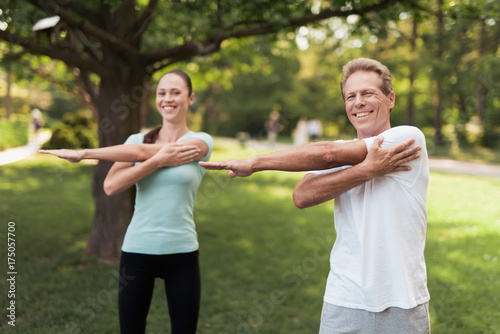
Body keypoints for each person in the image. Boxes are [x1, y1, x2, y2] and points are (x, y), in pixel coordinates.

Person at [200, 58, 430, 334]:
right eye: (350, 96)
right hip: (344, 297)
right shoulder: (345, 150)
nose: (358, 102)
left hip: (401, 300)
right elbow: (302, 195)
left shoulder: (407, 138)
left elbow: (327, 155)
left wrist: (255, 162)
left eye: (368, 93)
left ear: (390, 98)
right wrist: (367, 170)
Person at [40, 69, 214, 334]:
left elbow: (144, 152)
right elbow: (110, 186)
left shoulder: (200, 142)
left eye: (176, 92)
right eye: (162, 93)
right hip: (137, 251)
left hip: (182, 251)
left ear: (190, 98)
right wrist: (157, 162)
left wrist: (85, 153)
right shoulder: (135, 140)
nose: (168, 99)